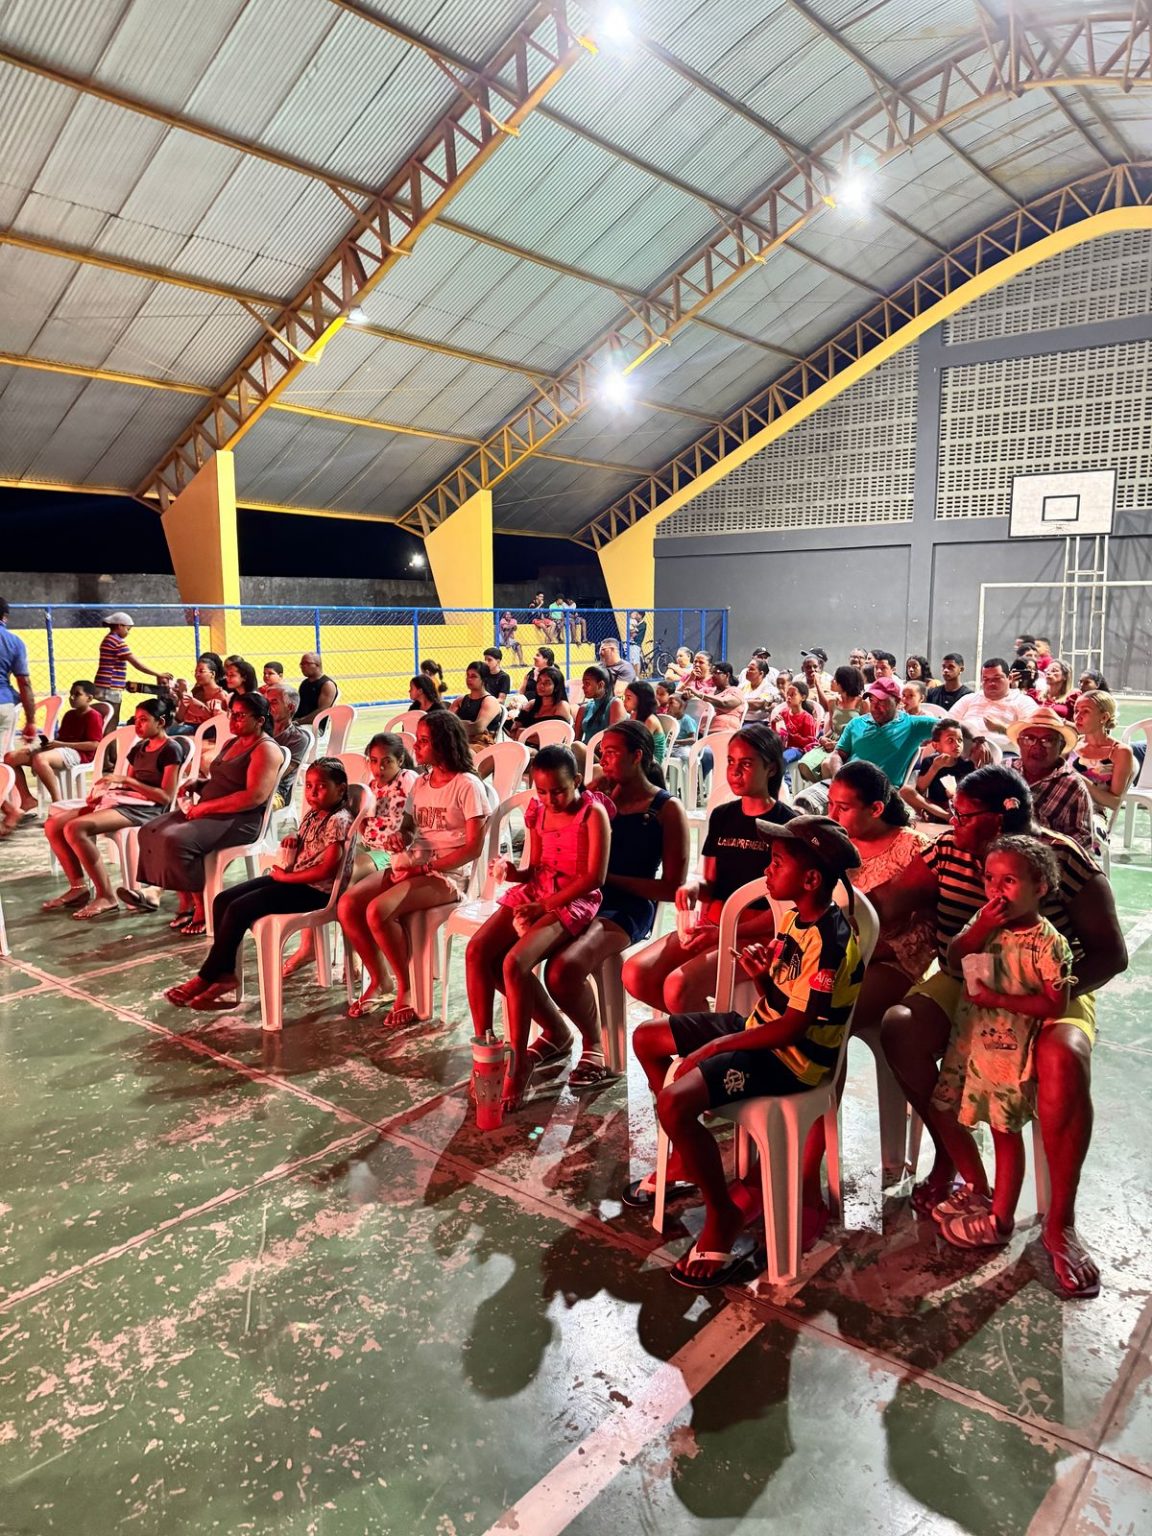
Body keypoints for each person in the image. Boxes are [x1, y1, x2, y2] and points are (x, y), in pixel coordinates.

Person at [879, 765, 1127, 1299]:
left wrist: (1033, 1006)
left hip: (1053, 984)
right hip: (969, 979)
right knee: (902, 1028)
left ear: (996, 822)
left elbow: (1111, 954)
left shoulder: (1059, 858)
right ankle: (962, 1167)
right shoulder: (948, 851)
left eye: (963, 816)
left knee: (1062, 1056)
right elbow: (888, 902)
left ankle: (1060, 1222)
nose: (952, 823)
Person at [630, 815, 864, 1288]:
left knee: (674, 1102)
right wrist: (761, 979)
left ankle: (723, 1215)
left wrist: (716, 1046)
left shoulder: (832, 944)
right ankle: (687, 1154)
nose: (767, 871)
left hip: (791, 1059)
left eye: (776, 863)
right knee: (646, 1039)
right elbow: (784, 1000)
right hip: (763, 1027)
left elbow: (794, 1029)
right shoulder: (798, 917)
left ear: (810, 879)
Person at [929, 836, 1075, 1249]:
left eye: (1009, 881)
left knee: (1003, 1132)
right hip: (968, 1043)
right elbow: (956, 957)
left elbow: (1055, 1003)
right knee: (943, 1110)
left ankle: (1001, 1220)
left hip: (1007, 1057)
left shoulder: (1048, 943)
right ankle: (976, 1185)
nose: (995, 890)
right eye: (989, 879)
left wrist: (998, 1000)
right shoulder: (984, 920)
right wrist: (980, 929)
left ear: (1040, 887)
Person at [542, 721, 688, 1089]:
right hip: (581, 897)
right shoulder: (596, 800)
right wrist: (586, 798)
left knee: (562, 970)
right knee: (511, 955)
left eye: (611, 753)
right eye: (601, 752)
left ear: (637, 756)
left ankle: (594, 1045)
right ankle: (553, 1031)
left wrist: (605, 879)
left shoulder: (665, 809)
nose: (603, 760)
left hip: (628, 907)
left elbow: (671, 887)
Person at [466, 745, 612, 1109]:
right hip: (538, 890)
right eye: (542, 791)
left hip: (573, 899)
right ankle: (486, 1049)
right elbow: (535, 868)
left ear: (576, 781)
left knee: (513, 963)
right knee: (477, 951)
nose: (549, 799)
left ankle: (518, 1064)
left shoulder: (593, 814)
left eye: (558, 791)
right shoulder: (538, 810)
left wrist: (543, 907)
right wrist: (511, 871)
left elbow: (594, 877)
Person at [623, 725, 795, 1013]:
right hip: (713, 924)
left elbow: (785, 910)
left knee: (678, 986)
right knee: (636, 973)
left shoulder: (785, 826)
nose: (735, 771)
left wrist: (727, 930)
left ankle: (708, 1039)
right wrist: (693, 888)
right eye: (730, 762)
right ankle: (705, 1032)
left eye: (746, 764)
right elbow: (710, 882)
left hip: (758, 934)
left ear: (772, 769)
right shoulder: (722, 816)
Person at [164, 758, 356, 1011]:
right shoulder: (314, 814)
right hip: (295, 881)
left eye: (321, 786)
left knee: (239, 909)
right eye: (309, 786)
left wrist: (286, 878)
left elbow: (327, 869)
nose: (312, 792)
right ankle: (225, 974)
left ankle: (207, 977)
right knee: (222, 900)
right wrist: (293, 839)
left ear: (341, 790)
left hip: (317, 892)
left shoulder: (338, 820)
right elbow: (310, 845)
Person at [337, 711, 488, 1026]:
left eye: (423, 741)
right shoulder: (421, 782)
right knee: (348, 904)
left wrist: (426, 867)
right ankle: (381, 980)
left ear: (443, 744)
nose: (415, 747)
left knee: (377, 911)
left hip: (448, 874)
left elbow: (473, 848)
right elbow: (408, 827)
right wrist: (399, 838)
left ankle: (405, 988)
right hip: (415, 863)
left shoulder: (467, 785)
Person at [129, 692, 284, 935]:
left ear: (260, 720)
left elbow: (253, 796)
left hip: (241, 819)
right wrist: (200, 784)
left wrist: (206, 807)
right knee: (150, 830)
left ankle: (202, 908)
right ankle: (186, 901)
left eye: (240, 716)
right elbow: (224, 780)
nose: (232, 720)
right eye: (232, 714)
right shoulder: (233, 743)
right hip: (213, 809)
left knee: (176, 840)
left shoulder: (265, 750)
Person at [43, 698, 183, 920]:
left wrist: (126, 781)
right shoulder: (139, 748)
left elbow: (165, 796)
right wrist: (104, 793)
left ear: (161, 722)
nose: (138, 725)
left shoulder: (171, 749)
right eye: (136, 719)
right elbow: (127, 785)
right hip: (127, 801)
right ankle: (78, 888)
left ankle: (106, 895)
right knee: (53, 825)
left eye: (144, 720)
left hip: (148, 809)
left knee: (75, 828)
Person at [4, 678, 104, 823]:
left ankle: (58, 805)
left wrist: (60, 744)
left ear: (89, 698)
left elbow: (95, 744)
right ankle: (27, 799)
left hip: (79, 753)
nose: (72, 697)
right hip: (61, 749)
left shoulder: (93, 716)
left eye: (77, 694)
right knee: (11, 757)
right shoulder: (69, 715)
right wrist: (47, 746)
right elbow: (62, 738)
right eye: (71, 694)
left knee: (41, 759)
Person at [1005, 708, 1095, 853]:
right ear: (1019, 743)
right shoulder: (1005, 769)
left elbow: (1083, 838)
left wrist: (1045, 849)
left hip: (1042, 858)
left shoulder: (1073, 786)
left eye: (1047, 741)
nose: (1037, 746)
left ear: (1061, 747)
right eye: (1029, 739)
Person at [833, 676, 936, 784]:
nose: (875, 707)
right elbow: (837, 754)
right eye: (872, 701)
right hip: (846, 784)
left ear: (897, 701)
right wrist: (838, 777)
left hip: (879, 790)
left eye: (882, 702)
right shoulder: (856, 723)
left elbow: (947, 727)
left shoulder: (913, 725)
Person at [1069, 690, 1135, 850]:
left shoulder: (1119, 752)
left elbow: (1114, 802)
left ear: (1104, 717)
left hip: (1092, 813)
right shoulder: (1071, 744)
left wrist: (1079, 779)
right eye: (1076, 711)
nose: (1078, 717)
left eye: (1085, 711)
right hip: (1062, 803)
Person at [93, 612, 172, 726]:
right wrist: (158, 674)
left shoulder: (108, 639)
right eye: (127, 629)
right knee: (112, 720)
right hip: (110, 687)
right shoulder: (117, 642)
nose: (128, 633)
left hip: (103, 685)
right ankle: (109, 738)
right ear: (120, 626)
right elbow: (136, 663)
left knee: (105, 719)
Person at [948, 657, 1039, 750]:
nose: (991, 683)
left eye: (997, 678)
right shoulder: (969, 699)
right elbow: (946, 724)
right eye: (986, 679)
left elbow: (1033, 736)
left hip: (1005, 754)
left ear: (1010, 678)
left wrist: (1003, 729)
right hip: (963, 750)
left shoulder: (1023, 701)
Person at [902, 718, 976, 823]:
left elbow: (972, 795)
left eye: (960, 740)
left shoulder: (967, 765)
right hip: (935, 807)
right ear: (936, 745)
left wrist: (955, 795)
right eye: (950, 740)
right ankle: (947, 817)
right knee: (905, 791)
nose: (957, 744)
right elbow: (920, 790)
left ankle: (943, 816)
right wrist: (935, 768)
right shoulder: (930, 761)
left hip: (958, 806)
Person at [571, 664, 625, 775]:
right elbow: (576, 738)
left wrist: (590, 748)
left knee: (577, 747)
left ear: (601, 685)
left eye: (587, 683)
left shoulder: (615, 704)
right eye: (583, 684)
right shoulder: (584, 708)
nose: (583, 687)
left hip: (603, 758)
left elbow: (615, 740)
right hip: (584, 754)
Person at [0, 597, 37, 756]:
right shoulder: (14, 642)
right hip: (3, 704)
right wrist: (31, 721)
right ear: (4, 617)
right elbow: (24, 683)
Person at [265, 684, 310, 809]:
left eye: (274, 702)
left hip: (276, 793)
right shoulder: (260, 728)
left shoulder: (298, 738)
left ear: (290, 707)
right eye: (267, 702)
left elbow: (279, 773)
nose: (268, 707)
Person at [172, 658, 229, 737]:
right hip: (188, 727)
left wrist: (197, 704)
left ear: (212, 674)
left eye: (201, 671)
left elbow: (219, 721)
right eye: (195, 672)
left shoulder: (221, 695)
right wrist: (182, 702)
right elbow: (179, 718)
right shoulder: (196, 692)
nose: (197, 674)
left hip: (207, 730)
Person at [511, 666, 572, 740]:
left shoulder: (561, 705)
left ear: (556, 687)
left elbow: (557, 735)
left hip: (549, 745)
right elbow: (514, 730)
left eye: (547, 683)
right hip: (524, 744)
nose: (541, 685)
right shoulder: (531, 705)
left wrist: (526, 734)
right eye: (539, 681)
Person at [451, 662, 504, 743]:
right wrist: (466, 724)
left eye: (473, 676)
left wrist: (454, 724)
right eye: (467, 675)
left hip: (481, 744)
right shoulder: (460, 700)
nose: (469, 679)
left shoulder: (490, 701)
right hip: (461, 741)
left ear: (484, 679)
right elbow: (445, 721)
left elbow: (478, 728)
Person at [687, 660, 744, 733]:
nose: (713, 676)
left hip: (724, 732)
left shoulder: (735, 691)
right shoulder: (708, 691)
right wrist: (688, 696)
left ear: (727, 675)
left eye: (716, 672)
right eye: (712, 673)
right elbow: (693, 703)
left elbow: (725, 703)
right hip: (701, 731)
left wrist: (700, 695)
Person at [776, 678, 819, 764]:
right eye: (787, 694)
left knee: (783, 759)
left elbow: (810, 741)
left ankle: (784, 773)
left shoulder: (807, 718)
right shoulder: (783, 713)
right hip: (782, 747)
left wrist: (793, 735)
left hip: (798, 750)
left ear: (803, 697)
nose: (788, 697)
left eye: (793, 694)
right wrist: (774, 723)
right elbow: (777, 733)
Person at [623, 679, 665, 762]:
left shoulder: (650, 720)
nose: (624, 701)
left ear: (641, 698)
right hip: (636, 757)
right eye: (625, 697)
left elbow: (640, 745)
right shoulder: (633, 714)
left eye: (628, 698)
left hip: (650, 762)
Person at [297, 653, 338, 726]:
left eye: (307, 663)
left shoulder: (327, 685)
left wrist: (299, 722)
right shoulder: (304, 683)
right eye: (302, 664)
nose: (303, 667)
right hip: (301, 723)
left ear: (318, 665)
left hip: (315, 726)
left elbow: (321, 712)